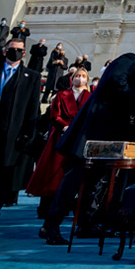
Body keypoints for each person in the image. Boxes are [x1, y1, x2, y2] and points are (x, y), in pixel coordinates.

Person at [41, 54, 135, 244]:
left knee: (96, 181)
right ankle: (51, 224)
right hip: (92, 131)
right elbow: (117, 81)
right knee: (73, 179)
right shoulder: (130, 59)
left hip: (104, 135)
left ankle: (86, 223)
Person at [0, 37, 41, 230]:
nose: (16, 52)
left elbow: (33, 108)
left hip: (11, 134)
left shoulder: (32, 77)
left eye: (20, 50)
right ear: (5, 51)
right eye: (12, 49)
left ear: (24, 53)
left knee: (1, 175)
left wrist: (27, 134)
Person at [25, 67, 90, 216]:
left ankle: (65, 207)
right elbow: (55, 115)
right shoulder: (61, 95)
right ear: (72, 78)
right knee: (52, 172)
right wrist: (66, 126)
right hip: (61, 135)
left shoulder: (90, 96)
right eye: (77, 76)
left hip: (79, 138)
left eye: (83, 76)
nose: (80, 78)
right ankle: (45, 207)